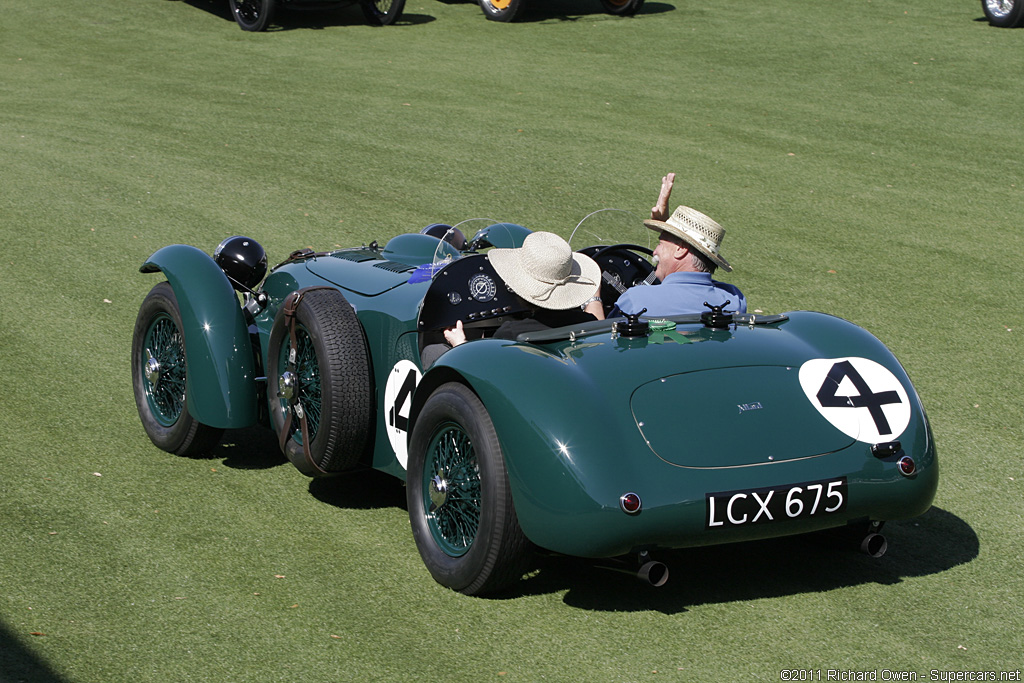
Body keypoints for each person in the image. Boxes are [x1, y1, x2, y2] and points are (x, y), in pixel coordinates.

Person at [423, 231, 602, 365]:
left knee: (432, 352)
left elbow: (484, 372)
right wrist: (595, 297)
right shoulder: (590, 323)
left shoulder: (510, 334)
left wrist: (460, 344)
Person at [608, 173, 746, 318]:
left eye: (660, 243)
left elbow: (599, 336)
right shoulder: (734, 300)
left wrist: (594, 298)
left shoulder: (636, 300)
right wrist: (671, 235)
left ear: (681, 249)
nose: (655, 251)